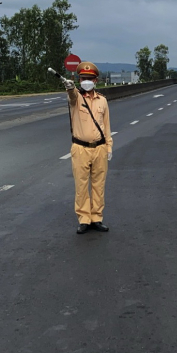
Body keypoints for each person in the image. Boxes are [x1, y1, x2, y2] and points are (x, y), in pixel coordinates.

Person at [63, 62, 113, 234]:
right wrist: (70, 88)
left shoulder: (103, 101)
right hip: (80, 148)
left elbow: (106, 126)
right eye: (83, 78)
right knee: (81, 186)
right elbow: (72, 96)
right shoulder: (76, 99)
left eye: (90, 79)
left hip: (99, 148)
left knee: (99, 185)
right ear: (78, 79)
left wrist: (109, 146)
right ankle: (84, 219)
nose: (86, 81)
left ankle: (96, 218)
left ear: (96, 80)